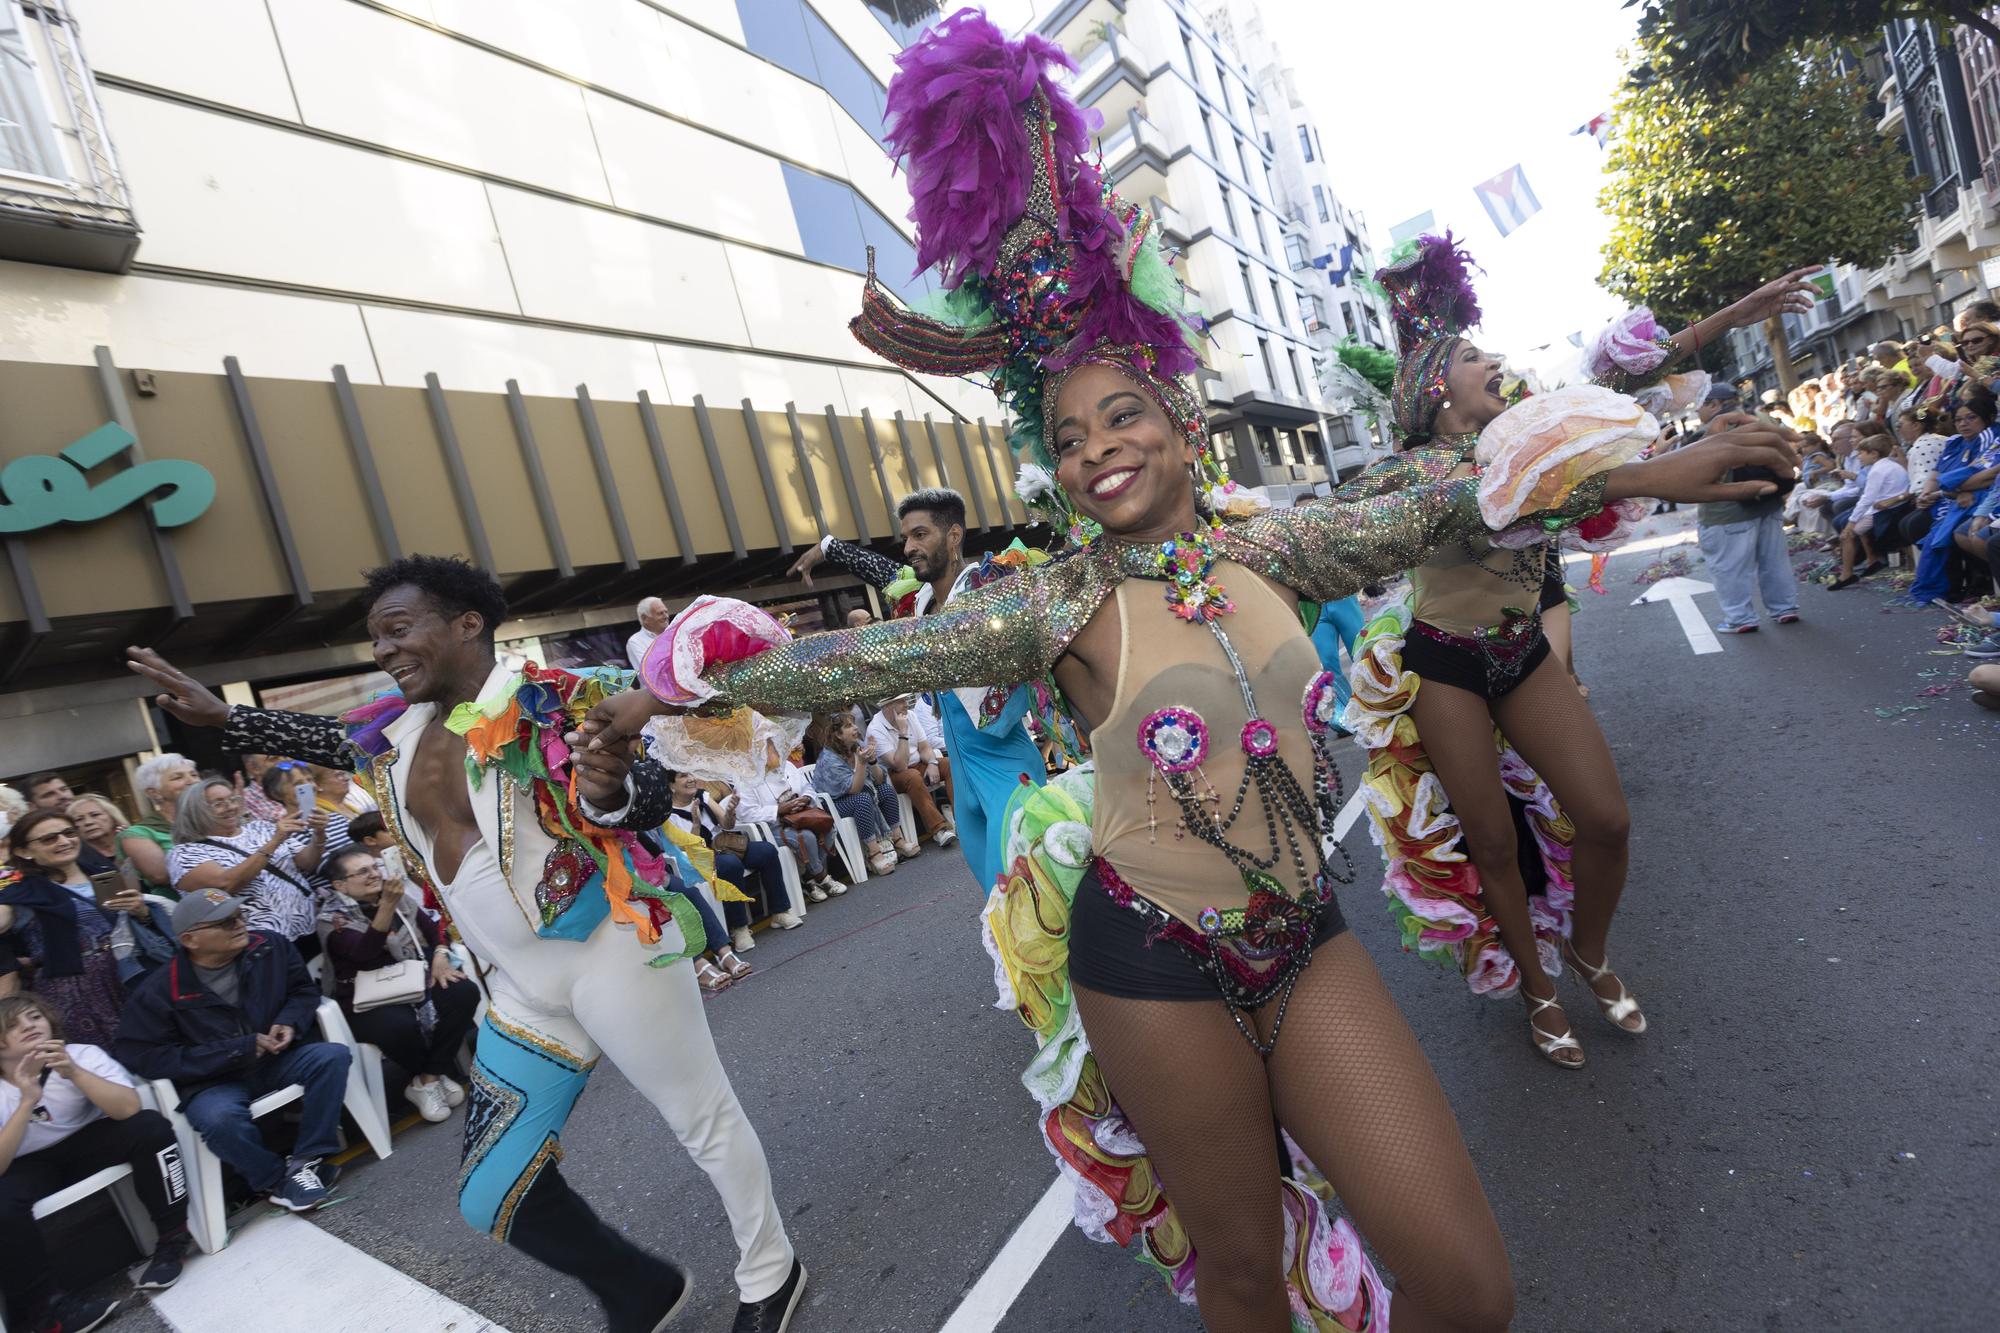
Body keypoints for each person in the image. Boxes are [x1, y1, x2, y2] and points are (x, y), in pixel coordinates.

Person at [579, 17, 1798, 1325]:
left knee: (1468, 1284)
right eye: (1069, 433)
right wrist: (668, 683)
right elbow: (850, 656)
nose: (1100, 445)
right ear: (1047, 462)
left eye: (1123, 413)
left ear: (1178, 418)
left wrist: (1647, 462)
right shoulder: (1044, 603)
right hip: (1146, 959)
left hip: (1301, 939)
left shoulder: (1285, 539)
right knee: (1235, 1269)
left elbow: (1459, 491)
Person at [126, 552, 803, 1333]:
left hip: (612, 952)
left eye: (398, 629)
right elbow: (324, 733)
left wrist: (610, 789)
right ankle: (640, 1288)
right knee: (491, 1190)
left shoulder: (555, 699)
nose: (383, 651)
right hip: (521, 991)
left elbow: (651, 796)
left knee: (703, 1121)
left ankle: (771, 1272)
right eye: (375, 640)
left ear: (467, 623)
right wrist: (226, 718)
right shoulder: (397, 735)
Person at [788, 486, 1049, 892]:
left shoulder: (989, 584)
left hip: (1004, 766)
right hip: (962, 777)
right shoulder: (921, 601)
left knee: (1026, 889)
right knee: (993, 893)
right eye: (906, 537)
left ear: (954, 536)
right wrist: (827, 548)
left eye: (920, 535)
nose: (909, 546)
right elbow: (882, 571)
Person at [114, 889, 349, 1215]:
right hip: (213, 1080)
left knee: (332, 1056)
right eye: (224, 923)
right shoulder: (160, 990)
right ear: (190, 939)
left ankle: (305, 1160)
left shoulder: (268, 946)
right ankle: (275, 1179)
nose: (239, 924)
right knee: (218, 1118)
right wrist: (236, 1050)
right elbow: (145, 1057)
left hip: (277, 1058)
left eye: (239, 915)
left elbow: (302, 991)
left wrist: (289, 1021)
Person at [0, 994, 192, 1332]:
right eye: (13, 1025)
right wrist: (27, 1099)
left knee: (149, 1127)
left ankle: (173, 1241)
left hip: (88, 1140)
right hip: (27, 1163)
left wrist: (72, 1072)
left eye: (34, 1017)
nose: (29, 1025)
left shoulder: (82, 1055)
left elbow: (128, 1109)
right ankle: (46, 1311)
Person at [317, 846, 479, 1125]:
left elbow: (437, 931)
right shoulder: (332, 921)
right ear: (340, 885)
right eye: (362, 872)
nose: (373, 874)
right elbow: (365, 955)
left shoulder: (400, 900)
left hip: (414, 981)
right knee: (398, 1026)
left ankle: (427, 1079)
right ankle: (434, 1077)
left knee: (463, 992)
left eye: (375, 867)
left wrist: (441, 955)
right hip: (366, 999)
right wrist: (386, 907)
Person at [0, 810, 171, 1046]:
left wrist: (141, 912)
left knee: (159, 1048)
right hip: (74, 993)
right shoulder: (20, 891)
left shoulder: (104, 874)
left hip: (133, 977)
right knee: (104, 1064)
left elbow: (137, 927)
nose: (64, 841)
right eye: (49, 839)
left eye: (69, 833)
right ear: (23, 851)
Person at [165, 777, 322, 957]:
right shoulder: (184, 853)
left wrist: (319, 834)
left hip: (309, 925)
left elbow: (308, 863)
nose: (231, 807)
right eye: (218, 804)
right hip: (261, 943)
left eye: (233, 799)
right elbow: (226, 885)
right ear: (196, 811)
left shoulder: (262, 827)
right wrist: (275, 842)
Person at [1697, 378, 1806, 633]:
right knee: (1775, 561)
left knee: (1729, 568)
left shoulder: (1712, 432)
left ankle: (1740, 618)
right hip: (1768, 502)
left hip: (1727, 510)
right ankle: (1784, 608)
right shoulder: (1761, 420)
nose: (1697, 411)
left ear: (1715, 404)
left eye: (1699, 405)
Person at [664, 770, 801, 953]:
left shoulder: (703, 796)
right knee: (730, 865)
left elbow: (727, 825)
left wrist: (729, 812)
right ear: (671, 786)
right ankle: (739, 928)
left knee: (766, 851)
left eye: (691, 774)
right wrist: (696, 824)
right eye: (683, 776)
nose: (691, 779)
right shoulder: (668, 814)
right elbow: (685, 851)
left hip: (726, 846)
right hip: (700, 859)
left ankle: (780, 911)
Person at [1905, 390, 2000, 605]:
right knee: (1914, 524)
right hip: (1951, 496)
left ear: (1987, 417)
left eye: (1971, 418)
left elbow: (1987, 477)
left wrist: (1951, 490)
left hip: (1976, 497)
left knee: (1957, 531)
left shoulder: (1992, 438)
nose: (1964, 424)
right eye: (1958, 419)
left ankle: (1974, 583)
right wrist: (1927, 494)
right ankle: (1952, 585)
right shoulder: (1955, 442)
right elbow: (1937, 475)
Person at [733, 738, 844, 904]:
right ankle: (821, 877)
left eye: (775, 747)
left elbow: (807, 787)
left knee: (826, 826)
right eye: (770, 749)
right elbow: (747, 814)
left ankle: (809, 878)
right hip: (772, 828)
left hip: (801, 815)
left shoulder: (788, 766)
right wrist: (779, 810)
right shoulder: (746, 780)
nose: (777, 751)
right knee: (806, 837)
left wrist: (805, 799)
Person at [811, 715, 904, 877]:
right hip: (834, 805)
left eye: (854, 724)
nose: (855, 727)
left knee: (885, 790)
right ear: (838, 735)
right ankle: (874, 853)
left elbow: (879, 779)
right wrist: (861, 763)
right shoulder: (829, 759)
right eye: (848, 726)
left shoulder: (858, 746)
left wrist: (873, 761)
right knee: (862, 799)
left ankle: (897, 840)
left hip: (861, 794)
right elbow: (854, 789)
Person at [865, 694, 956, 849]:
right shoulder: (875, 729)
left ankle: (961, 818)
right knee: (913, 776)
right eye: (901, 701)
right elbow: (899, 765)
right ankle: (939, 829)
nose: (906, 704)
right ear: (887, 706)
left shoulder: (910, 715)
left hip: (918, 763)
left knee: (947, 764)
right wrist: (903, 733)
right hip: (893, 775)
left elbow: (925, 747)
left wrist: (933, 763)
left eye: (905, 700)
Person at [1827, 426, 1909, 588]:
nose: (1858, 457)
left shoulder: (1877, 470)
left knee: (1848, 535)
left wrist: (1851, 523)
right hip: (1894, 506)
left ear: (1874, 454)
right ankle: (1872, 559)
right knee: (1861, 525)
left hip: (1884, 510)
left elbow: (1867, 499)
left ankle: (1846, 574)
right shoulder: (1892, 465)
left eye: (1861, 453)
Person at [120, 754, 200, 897]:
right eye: (178, 777)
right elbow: (161, 876)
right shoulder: (138, 834)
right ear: (154, 792)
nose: (191, 781)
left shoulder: (217, 818)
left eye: (194, 775)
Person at [65, 793, 130, 867]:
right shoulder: (76, 859)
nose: (88, 822)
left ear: (113, 817)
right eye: (79, 819)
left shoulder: (133, 841)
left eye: (95, 815)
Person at [627, 596, 668, 673]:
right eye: (660, 613)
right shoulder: (635, 641)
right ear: (644, 618)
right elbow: (651, 670)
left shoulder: (676, 634)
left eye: (666, 612)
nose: (666, 616)